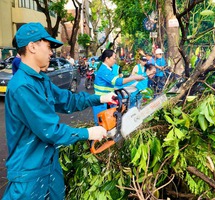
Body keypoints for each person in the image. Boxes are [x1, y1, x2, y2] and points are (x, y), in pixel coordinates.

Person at [3, 22, 118, 200]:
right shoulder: (22, 86)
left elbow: (68, 100)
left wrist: (100, 98)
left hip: (49, 166)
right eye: (48, 46)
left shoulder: (41, 80)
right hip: (30, 175)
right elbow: (50, 131)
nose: (51, 52)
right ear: (32, 47)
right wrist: (88, 132)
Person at [92, 49, 145, 125]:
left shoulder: (108, 69)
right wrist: (134, 77)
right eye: (113, 58)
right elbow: (117, 82)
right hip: (101, 102)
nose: (115, 61)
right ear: (107, 59)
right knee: (102, 125)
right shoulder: (104, 70)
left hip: (104, 100)